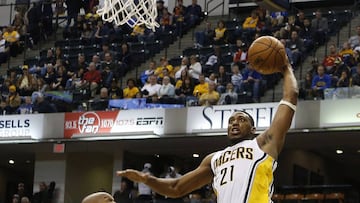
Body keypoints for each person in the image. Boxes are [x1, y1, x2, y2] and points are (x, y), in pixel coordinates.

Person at [117, 56, 298, 203]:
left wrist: (285, 67)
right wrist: (146, 179)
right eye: (231, 121)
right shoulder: (214, 159)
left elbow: (290, 97)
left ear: (253, 129)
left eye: (241, 120)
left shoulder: (263, 143)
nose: (234, 123)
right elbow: (176, 187)